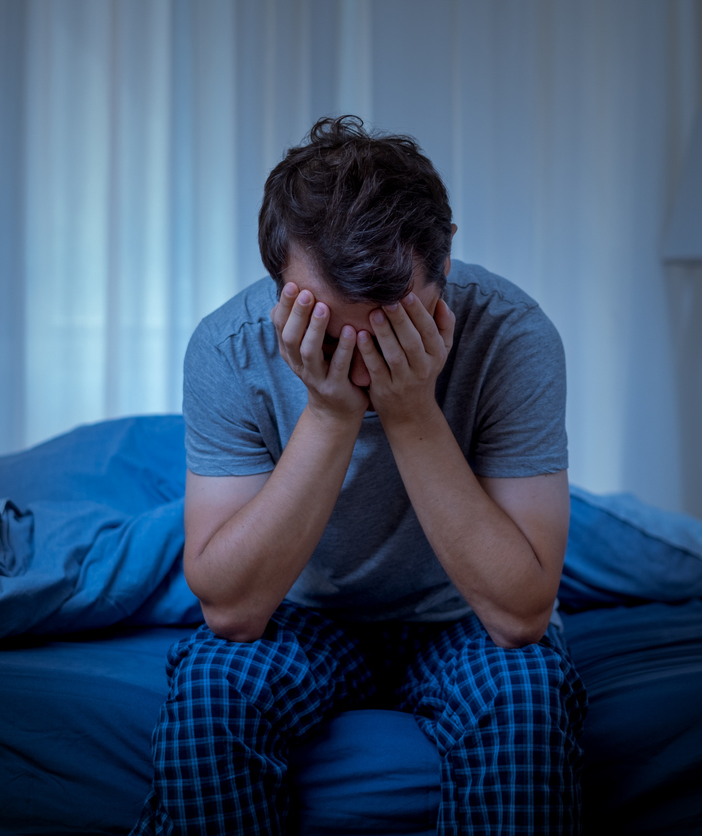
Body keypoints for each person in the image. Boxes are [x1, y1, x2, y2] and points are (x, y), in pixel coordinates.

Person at [133, 115, 586, 835]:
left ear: (444, 266)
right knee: (211, 686)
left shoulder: (514, 335)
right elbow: (232, 610)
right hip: (305, 614)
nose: (360, 356)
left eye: (392, 326)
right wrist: (328, 413)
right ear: (279, 278)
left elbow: (520, 613)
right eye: (326, 326)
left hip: (459, 616)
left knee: (527, 693)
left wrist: (410, 414)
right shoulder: (228, 348)